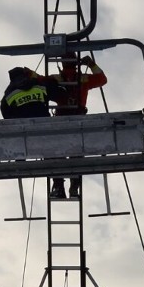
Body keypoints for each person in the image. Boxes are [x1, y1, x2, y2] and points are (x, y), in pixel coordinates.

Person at [47, 55, 107, 199]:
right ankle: (74, 188)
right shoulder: (84, 79)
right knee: (77, 154)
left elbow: (39, 81)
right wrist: (91, 64)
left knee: (56, 153)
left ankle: (58, 188)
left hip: (60, 122)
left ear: (61, 63)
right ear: (76, 63)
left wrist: (27, 74)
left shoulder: (55, 78)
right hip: (79, 121)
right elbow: (102, 79)